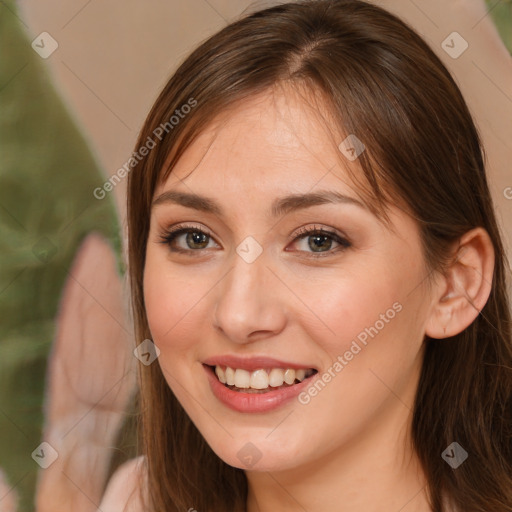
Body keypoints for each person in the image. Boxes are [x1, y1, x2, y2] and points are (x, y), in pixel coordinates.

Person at [101, 0, 512, 510]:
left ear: (455, 284)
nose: (238, 314)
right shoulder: (132, 499)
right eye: (194, 237)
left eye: (319, 240)